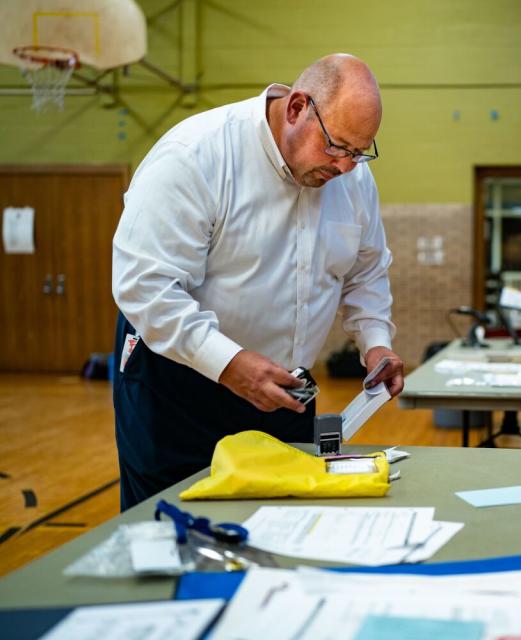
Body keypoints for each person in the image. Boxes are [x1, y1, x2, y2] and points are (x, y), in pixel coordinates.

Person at [112, 53, 403, 510]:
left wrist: (376, 342)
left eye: (359, 152)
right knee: (172, 531)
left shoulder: (351, 177)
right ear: (296, 108)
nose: (347, 167)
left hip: (284, 393)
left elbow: (365, 270)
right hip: (178, 388)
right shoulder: (195, 156)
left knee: (283, 525)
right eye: (338, 147)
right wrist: (227, 363)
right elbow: (144, 288)